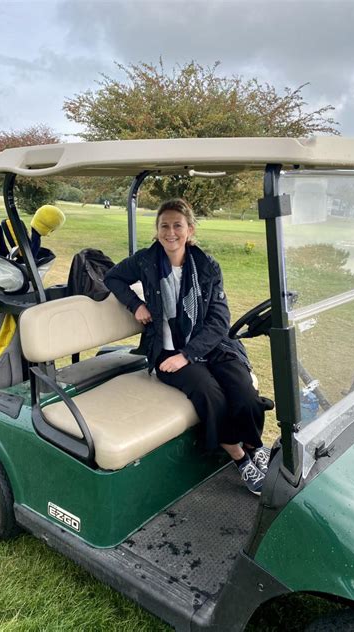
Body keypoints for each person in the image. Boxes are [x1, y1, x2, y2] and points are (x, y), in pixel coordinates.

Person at [104, 198, 272, 495]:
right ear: (157, 231)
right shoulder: (145, 261)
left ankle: (255, 443)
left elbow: (220, 320)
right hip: (167, 352)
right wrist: (135, 305)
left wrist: (189, 354)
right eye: (164, 226)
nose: (171, 232)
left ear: (190, 230)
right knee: (211, 394)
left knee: (244, 389)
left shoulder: (207, 266)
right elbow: (112, 277)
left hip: (210, 346)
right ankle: (240, 458)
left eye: (177, 225)